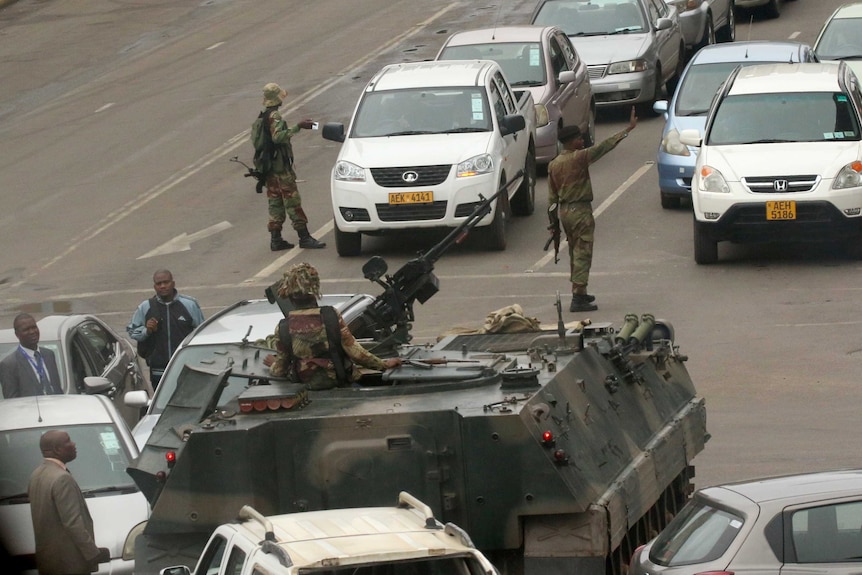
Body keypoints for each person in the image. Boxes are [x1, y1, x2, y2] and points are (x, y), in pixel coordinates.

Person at [548, 106, 637, 312]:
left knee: (574, 252)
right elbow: (605, 146)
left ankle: (580, 292)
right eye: (579, 139)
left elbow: (552, 198)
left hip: (565, 213)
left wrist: (553, 224)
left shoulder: (553, 165)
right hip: (580, 212)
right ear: (571, 142)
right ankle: (578, 299)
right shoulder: (578, 158)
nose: (582, 141)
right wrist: (628, 129)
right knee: (583, 253)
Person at [266, 263, 401, 390]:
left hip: (307, 391)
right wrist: (384, 365)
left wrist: (273, 364)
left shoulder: (283, 327)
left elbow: (279, 370)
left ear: (289, 295)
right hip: (339, 385)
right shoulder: (331, 316)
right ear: (314, 291)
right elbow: (355, 352)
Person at [255, 82, 326, 251]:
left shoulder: (263, 116)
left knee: (275, 203)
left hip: (269, 169)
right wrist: (298, 127)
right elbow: (278, 138)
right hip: (280, 170)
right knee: (292, 201)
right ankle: (304, 237)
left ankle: (276, 239)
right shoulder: (275, 117)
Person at [28, 430, 110, 575]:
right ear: (57, 450)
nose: (73, 444)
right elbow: (73, 523)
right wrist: (93, 554)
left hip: (49, 562)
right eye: (68, 441)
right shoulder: (62, 478)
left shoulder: (36, 475)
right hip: (69, 564)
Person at [127, 269, 204, 388]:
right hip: (158, 369)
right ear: (154, 287)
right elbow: (132, 331)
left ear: (173, 283)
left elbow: (201, 333)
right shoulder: (146, 307)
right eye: (159, 284)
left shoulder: (189, 305)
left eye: (166, 282)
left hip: (186, 366)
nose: (162, 286)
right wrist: (146, 331)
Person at [0, 313, 62, 398]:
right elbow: (12, 402)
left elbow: (57, 389)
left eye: (34, 327)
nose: (32, 332)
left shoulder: (49, 355)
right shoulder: (9, 365)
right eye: (26, 329)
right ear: (17, 334)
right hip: (31, 410)